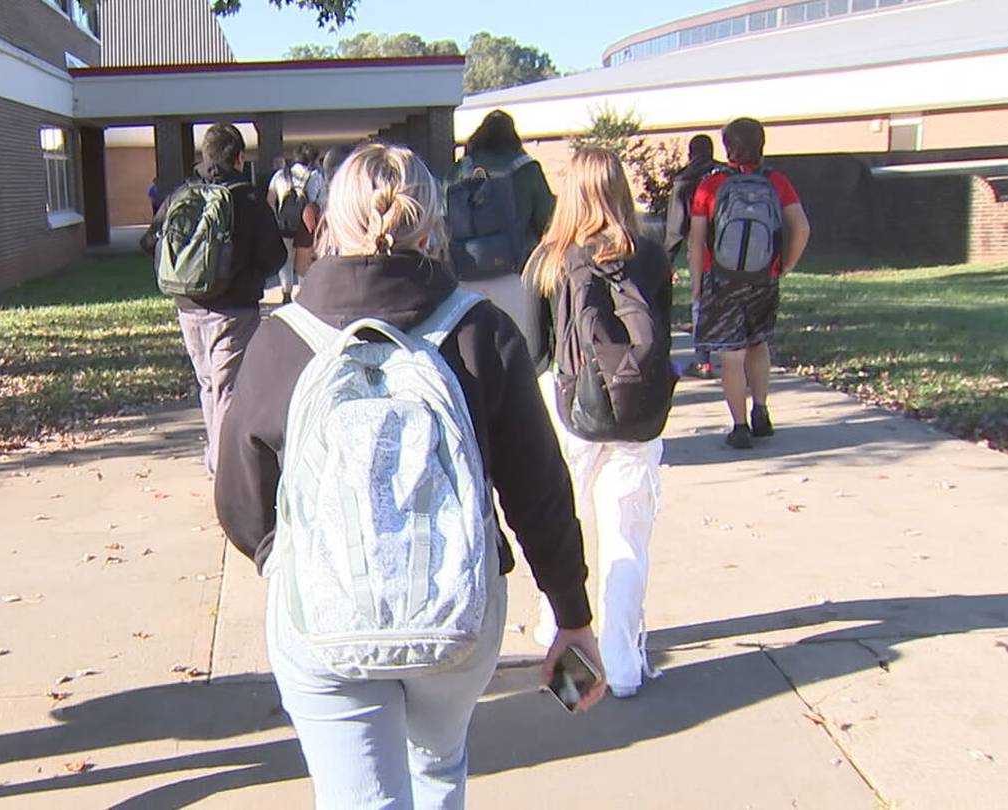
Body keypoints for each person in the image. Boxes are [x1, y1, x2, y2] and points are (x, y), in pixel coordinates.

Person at [215, 142, 605, 808]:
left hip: (324, 619)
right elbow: (538, 491)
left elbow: (240, 501)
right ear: (433, 222)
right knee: (438, 768)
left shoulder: (282, 340)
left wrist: (281, 557)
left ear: (327, 223)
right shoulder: (483, 331)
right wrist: (571, 616)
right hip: (455, 621)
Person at [526, 148, 674, 699]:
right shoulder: (652, 257)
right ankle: (625, 667)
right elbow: (663, 334)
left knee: (565, 528)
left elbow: (537, 350)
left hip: (571, 409)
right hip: (639, 414)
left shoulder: (549, 259)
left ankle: (562, 653)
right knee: (626, 534)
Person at [141, 124, 286, 476]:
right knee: (227, 389)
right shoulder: (248, 199)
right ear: (239, 157)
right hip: (234, 310)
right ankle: (225, 471)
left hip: (187, 306)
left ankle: (216, 459)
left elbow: (150, 242)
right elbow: (275, 257)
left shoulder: (180, 194)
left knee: (209, 385)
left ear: (204, 156)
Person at [689, 117, 811, 449]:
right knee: (758, 345)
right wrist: (784, 265)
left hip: (723, 279)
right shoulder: (776, 182)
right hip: (764, 278)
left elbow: (697, 240)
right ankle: (760, 410)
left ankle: (739, 426)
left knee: (731, 355)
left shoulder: (710, 185)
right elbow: (801, 228)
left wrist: (698, 284)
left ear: (728, 147)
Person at [447, 110, 555, 359]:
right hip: (515, 273)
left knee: (473, 354)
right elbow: (546, 222)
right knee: (518, 354)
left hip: (465, 274)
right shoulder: (527, 169)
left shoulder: (458, 170)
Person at [664, 134, 724, 379]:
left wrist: (667, 260)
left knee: (701, 302)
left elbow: (676, 227)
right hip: (738, 252)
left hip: (703, 250)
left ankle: (703, 362)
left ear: (690, 153)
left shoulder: (685, 180)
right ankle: (744, 363)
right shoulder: (727, 175)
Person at [267, 144, 326, 300]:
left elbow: (270, 201)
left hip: (284, 225)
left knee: (286, 260)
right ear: (313, 160)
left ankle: (286, 293)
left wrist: (276, 220)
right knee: (304, 263)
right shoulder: (316, 177)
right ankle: (303, 293)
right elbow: (321, 203)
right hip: (306, 228)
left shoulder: (280, 175)